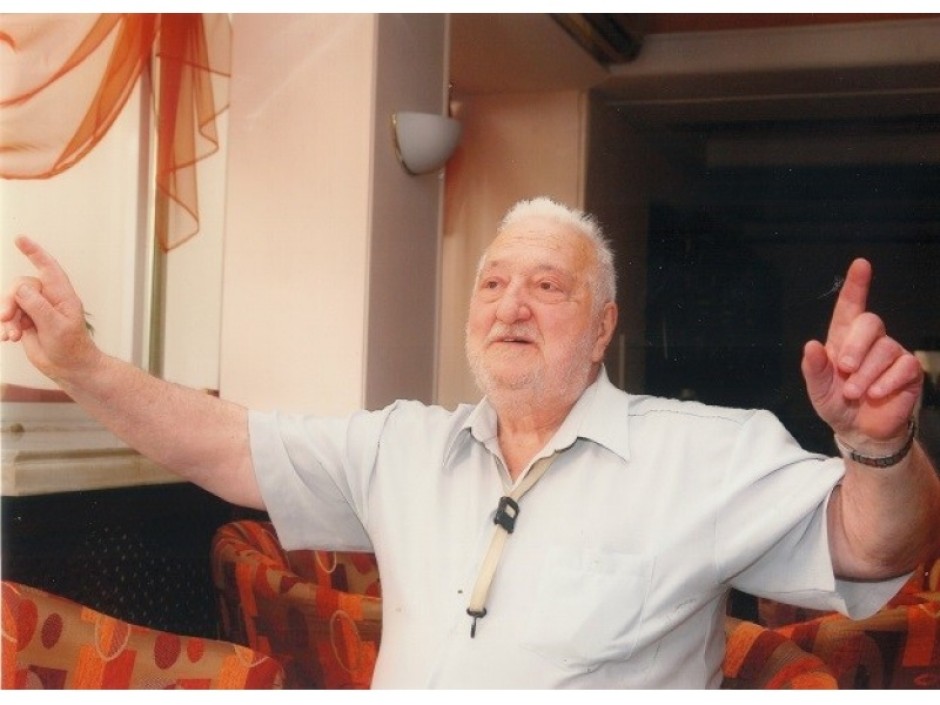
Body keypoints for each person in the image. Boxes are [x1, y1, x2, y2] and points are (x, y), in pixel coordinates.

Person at [2, 196, 938, 688]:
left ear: (603, 327)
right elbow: (224, 445)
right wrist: (82, 364)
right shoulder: (401, 447)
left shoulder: (702, 454)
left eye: (547, 286)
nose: (510, 306)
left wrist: (879, 448)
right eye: (492, 283)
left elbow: (879, 544)